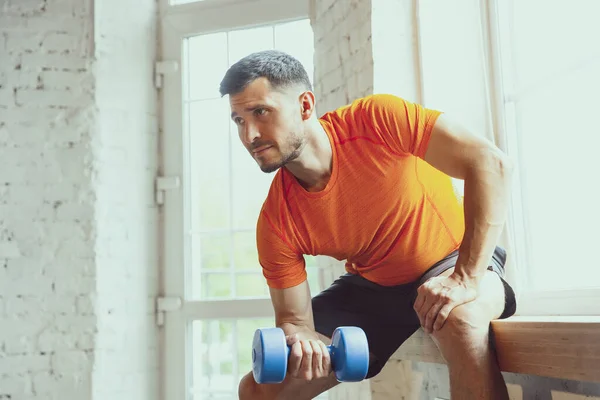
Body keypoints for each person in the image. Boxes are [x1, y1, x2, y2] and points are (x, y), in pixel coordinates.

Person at [219, 50, 517, 400]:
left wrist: (466, 278)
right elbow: (294, 320)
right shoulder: (276, 220)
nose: (250, 134)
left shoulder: (376, 119)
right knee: (258, 390)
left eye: (261, 112)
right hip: (374, 289)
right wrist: (301, 341)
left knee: (461, 322)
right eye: (238, 120)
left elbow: (490, 164)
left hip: (451, 260)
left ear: (304, 105)